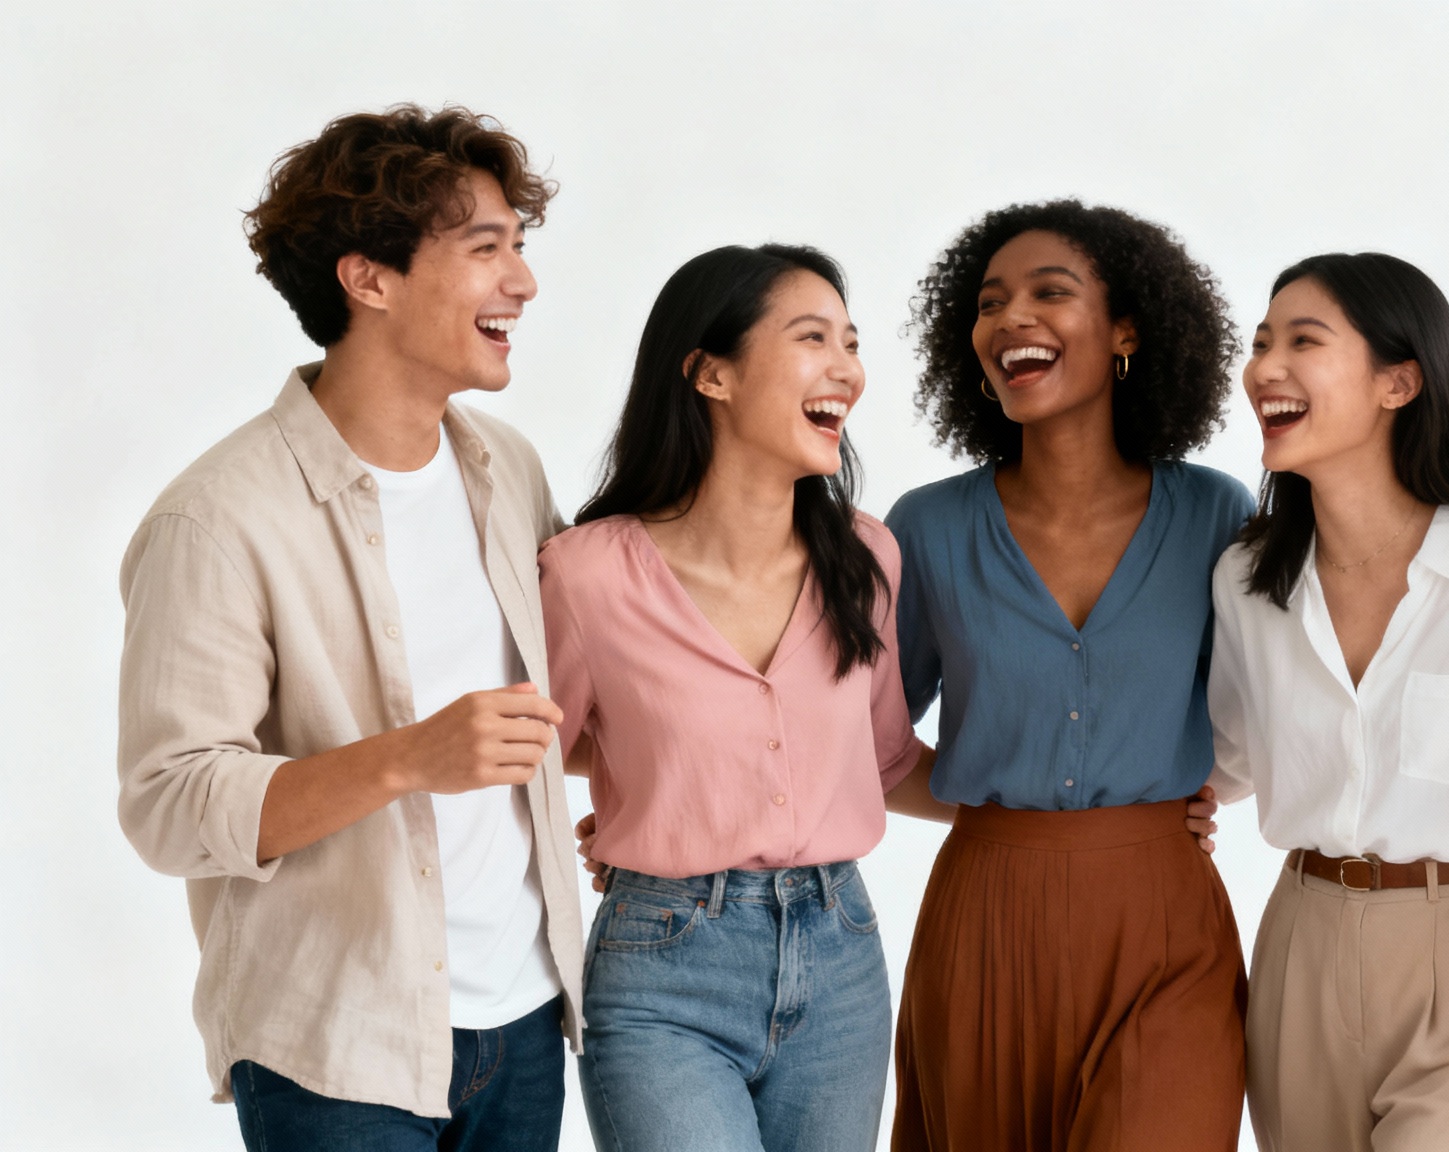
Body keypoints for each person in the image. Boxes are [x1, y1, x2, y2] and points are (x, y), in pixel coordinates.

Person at [116, 105, 584, 1150]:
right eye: (484, 247)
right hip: (338, 1044)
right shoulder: (217, 519)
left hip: (524, 1014)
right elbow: (169, 802)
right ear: (367, 278)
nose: (523, 281)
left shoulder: (507, 468)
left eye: (520, 245)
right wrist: (407, 758)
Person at [543, 244, 950, 1152]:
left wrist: (1100, 812)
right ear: (710, 373)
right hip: (663, 967)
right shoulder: (588, 575)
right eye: (814, 338)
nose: (848, 370)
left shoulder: (867, 555)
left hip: (843, 954)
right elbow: (531, 753)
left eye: (852, 343)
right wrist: (649, 798)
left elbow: (885, 762)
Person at [885, 200, 1252, 1150]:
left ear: (1127, 330)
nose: (1011, 318)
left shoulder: (1216, 515)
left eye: (1051, 292)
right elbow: (864, 738)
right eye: (989, 301)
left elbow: (1292, 685)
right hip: (985, 925)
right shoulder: (926, 528)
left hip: (1164, 925)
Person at [1204, 252, 1449, 1152]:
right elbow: (1226, 766)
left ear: (1399, 382)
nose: (1264, 368)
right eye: (1261, 345)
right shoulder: (1246, 579)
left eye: (1304, 340)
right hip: (1301, 942)